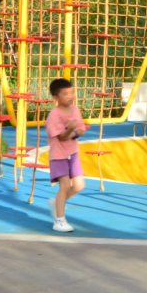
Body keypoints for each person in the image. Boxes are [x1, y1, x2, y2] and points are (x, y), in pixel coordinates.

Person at [45, 78, 89, 233]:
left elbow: (82, 130)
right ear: (56, 97)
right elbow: (62, 137)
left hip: (73, 153)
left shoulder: (75, 109)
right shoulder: (54, 115)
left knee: (79, 185)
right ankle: (59, 220)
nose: (70, 96)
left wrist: (74, 132)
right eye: (65, 93)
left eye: (71, 92)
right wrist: (70, 130)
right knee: (64, 186)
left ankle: (57, 202)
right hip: (59, 155)